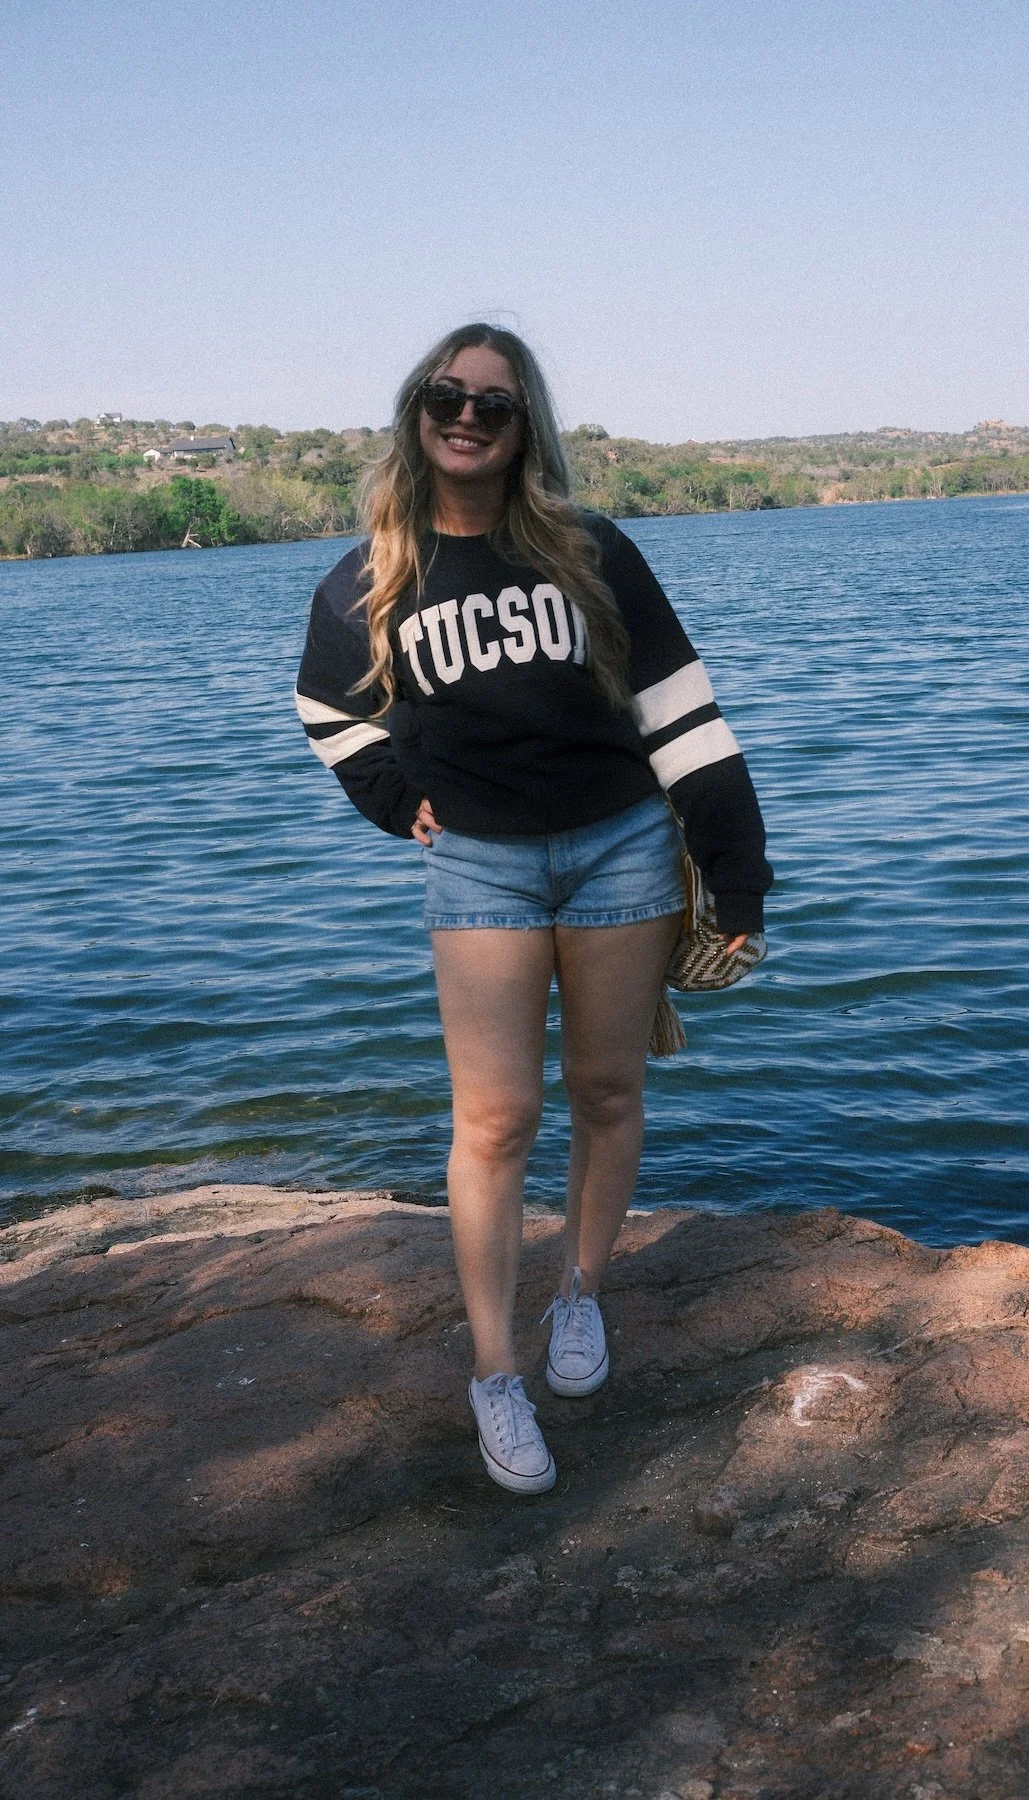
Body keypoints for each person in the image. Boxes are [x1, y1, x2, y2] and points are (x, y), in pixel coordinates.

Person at [296, 323, 771, 1495]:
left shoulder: (591, 551)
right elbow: (325, 708)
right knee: (496, 1122)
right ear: (417, 410)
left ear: (525, 428)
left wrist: (738, 870)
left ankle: (580, 1293)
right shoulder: (369, 580)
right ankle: (495, 1374)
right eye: (446, 395)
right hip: (481, 869)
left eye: (493, 404)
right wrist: (392, 796)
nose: (466, 416)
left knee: (606, 1091)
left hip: (621, 852)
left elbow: (681, 715)